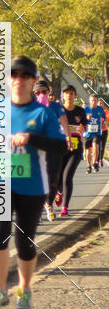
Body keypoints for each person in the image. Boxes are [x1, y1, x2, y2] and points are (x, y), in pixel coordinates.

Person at [0, 56, 67, 309]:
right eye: (13, 75)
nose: (18, 80)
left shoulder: (43, 113)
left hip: (31, 185)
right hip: (0, 181)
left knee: (25, 241)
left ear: (32, 81)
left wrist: (30, 138)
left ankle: (24, 291)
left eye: (24, 76)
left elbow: (61, 146)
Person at [33, 78, 70, 221]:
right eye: (38, 92)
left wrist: (67, 137)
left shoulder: (56, 106)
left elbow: (64, 122)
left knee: (54, 180)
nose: (41, 94)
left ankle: (48, 203)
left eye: (44, 91)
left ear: (49, 92)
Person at [50, 85, 87, 216]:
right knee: (58, 176)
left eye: (71, 93)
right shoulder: (57, 110)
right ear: (63, 95)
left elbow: (84, 127)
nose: (69, 96)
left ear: (75, 96)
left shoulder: (80, 111)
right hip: (61, 148)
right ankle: (59, 191)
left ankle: (65, 207)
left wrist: (82, 129)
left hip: (75, 150)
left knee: (67, 177)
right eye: (66, 93)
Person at [84, 92, 105, 172]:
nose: (94, 102)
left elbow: (104, 117)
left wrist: (104, 122)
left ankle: (94, 163)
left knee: (95, 147)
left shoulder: (100, 109)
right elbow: (81, 120)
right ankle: (88, 165)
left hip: (97, 132)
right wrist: (86, 117)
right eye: (92, 101)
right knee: (88, 151)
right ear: (89, 101)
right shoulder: (85, 109)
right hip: (87, 133)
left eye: (95, 101)